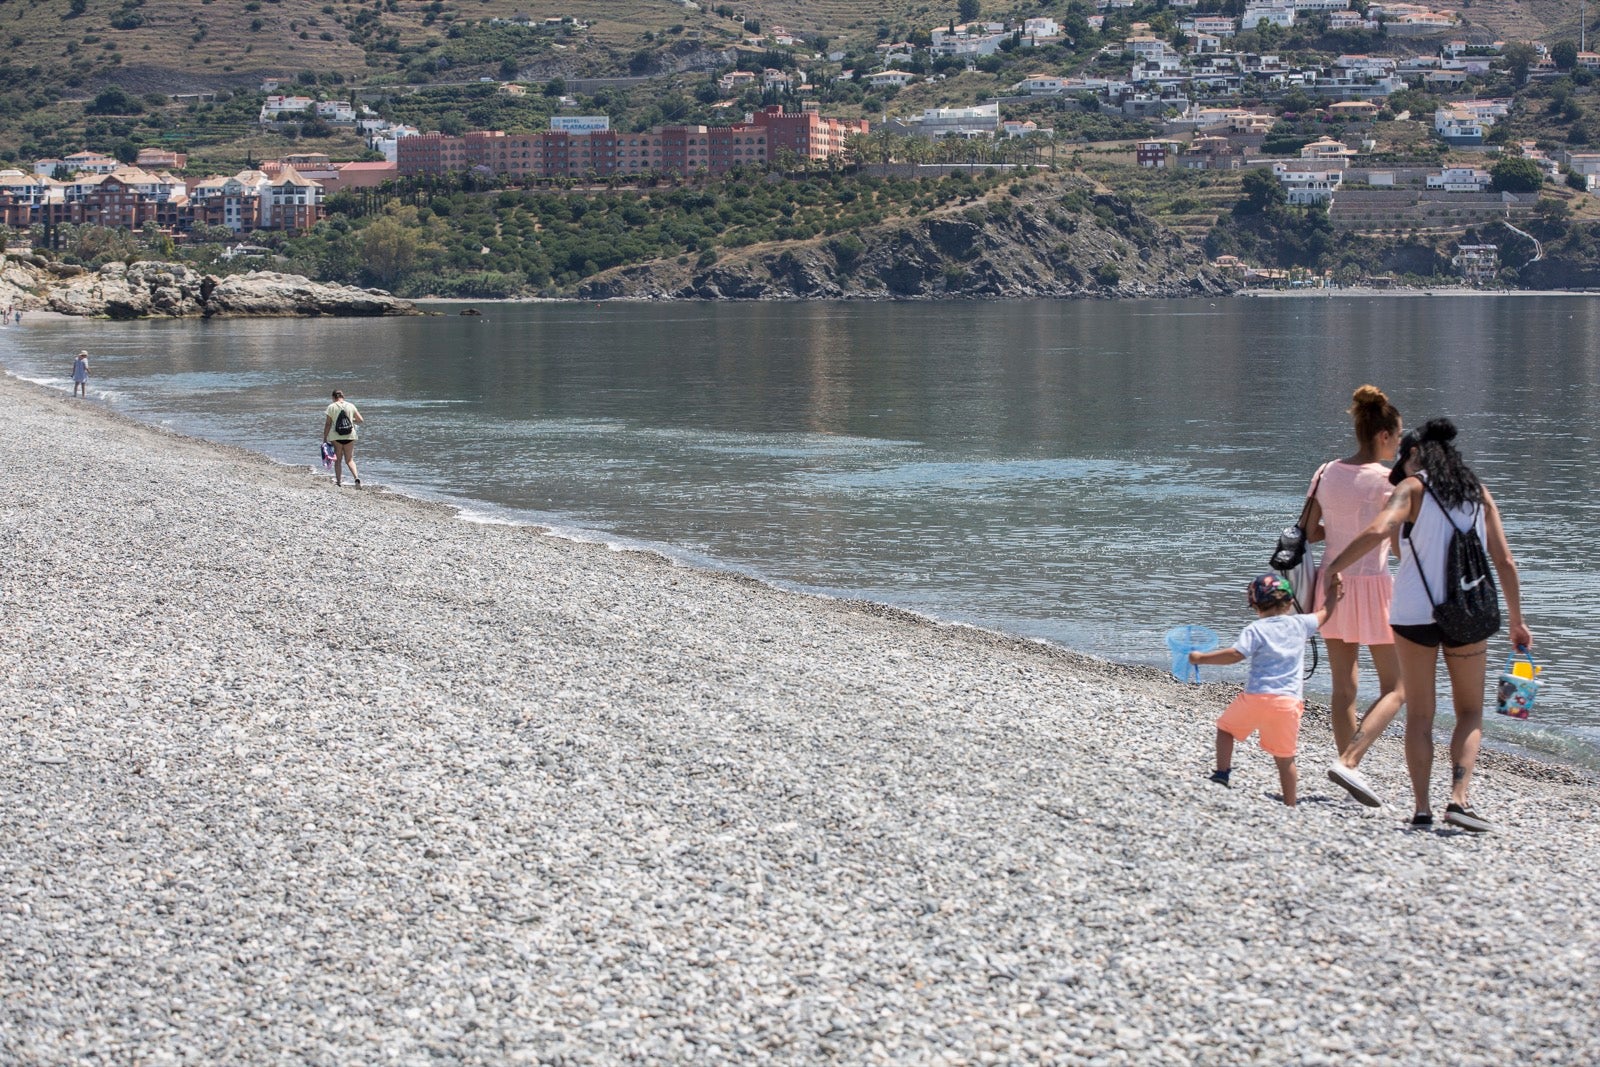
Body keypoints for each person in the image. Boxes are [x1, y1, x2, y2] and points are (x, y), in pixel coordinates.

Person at [1323, 419, 1530, 832]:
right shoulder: (1477, 493)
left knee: (1420, 713)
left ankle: (1422, 809)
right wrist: (1517, 621)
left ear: (1417, 455)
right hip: (1468, 614)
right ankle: (1458, 799)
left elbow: (1382, 531)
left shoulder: (1412, 489)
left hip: (1414, 614)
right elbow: (1505, 562)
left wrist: (1336, 566)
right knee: (1469, 711)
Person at [1304, 385, 1405, 759]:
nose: (1398, 444)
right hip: (1374, 586)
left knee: (1343, 689)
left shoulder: (1325, 472)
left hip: (1331, 583)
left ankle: (1348, 766)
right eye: (1398, 436)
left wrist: (1343, 531)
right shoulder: (1388, 481)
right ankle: (1351, 759)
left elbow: (1310, 532)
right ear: (1383, 435)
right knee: (1396, 686)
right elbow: (1393, 545)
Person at [1191, 571, 1344, 808]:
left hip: (1256, 697)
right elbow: (1326, 613)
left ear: (1254, 604)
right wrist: (1334, 591)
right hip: (1288, 703)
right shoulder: (1301, 623)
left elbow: (1235, 655)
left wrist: (1201, 658)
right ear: (1290, 602)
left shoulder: (1255, 629)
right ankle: (1290, 804)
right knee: (1285, 759)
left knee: (1225, 729)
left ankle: (1222, 774)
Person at [322, 389, 364, 488]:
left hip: (336, 436)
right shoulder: (351, 405)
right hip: (350, 435)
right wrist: (351, 419)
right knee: (349, 460)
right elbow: (360, 420)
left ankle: (339, 482)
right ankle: (356, 478)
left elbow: (328, 423)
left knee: (338, 460)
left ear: (333, 397)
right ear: (343, 396)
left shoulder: (331, 407)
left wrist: (324, 437)